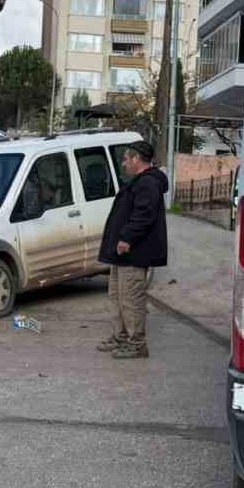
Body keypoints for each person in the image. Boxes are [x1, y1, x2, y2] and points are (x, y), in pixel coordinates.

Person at [97, 139, 169, 359]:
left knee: (131, 299)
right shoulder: (139, 181)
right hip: (122, 256)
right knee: (116, 296)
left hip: (135, 253)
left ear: (137, 158)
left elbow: (143, 214)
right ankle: (120, 336)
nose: (123, 163)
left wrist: (127, 237)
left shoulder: (148, 183)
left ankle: (137, 343)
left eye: (126, 159)